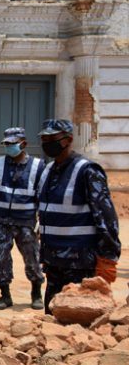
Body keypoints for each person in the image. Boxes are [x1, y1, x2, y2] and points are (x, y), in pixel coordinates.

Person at [37, 119, 121, 312]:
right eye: (44, 138)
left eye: (52, 138)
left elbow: (106, 218)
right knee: (52, 314)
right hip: (53, 261)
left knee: (78, 318)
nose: (47, 142)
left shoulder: (87, 171)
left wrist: (108, 257)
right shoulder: (48, 171)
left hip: (79, 263)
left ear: (68, 140)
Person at [0, 127, 46, 310]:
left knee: (32, 257)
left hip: (26, 221)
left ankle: (36, 293)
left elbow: (43, 195)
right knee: (0, 258)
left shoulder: (37, 166)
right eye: (6, 144)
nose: (8, 147)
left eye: (12, 144)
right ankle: (5, 295)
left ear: (23, 144)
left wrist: (42, 220)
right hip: (1, 221)